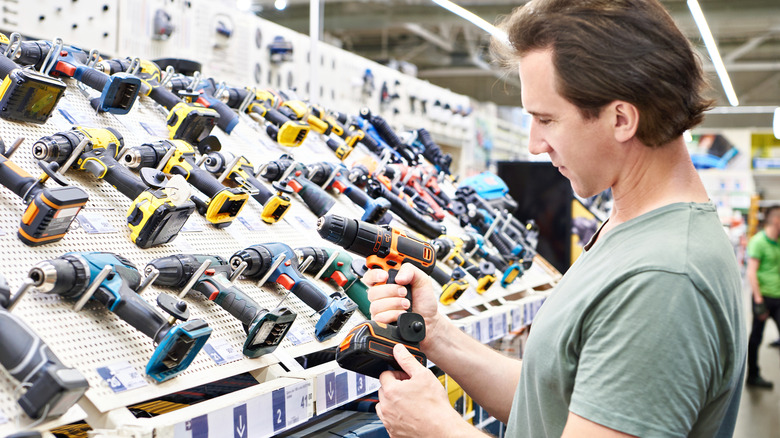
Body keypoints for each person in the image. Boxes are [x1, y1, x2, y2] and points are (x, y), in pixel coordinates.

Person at [362, 0, 746, 436]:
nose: (533, 144)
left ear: (621, 118)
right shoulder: (632, 231)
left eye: (546, 119)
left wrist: (435, 427)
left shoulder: (664, 277)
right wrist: (437, 334)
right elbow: (549, 400)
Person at [746, 206, 780, 389]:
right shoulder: (758, 241)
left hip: (778, 297)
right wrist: (758, 300)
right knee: (756, 337)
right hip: (763, 298)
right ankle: (753, 375)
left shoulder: (778, 241)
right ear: (776, 220)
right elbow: (751, 272)